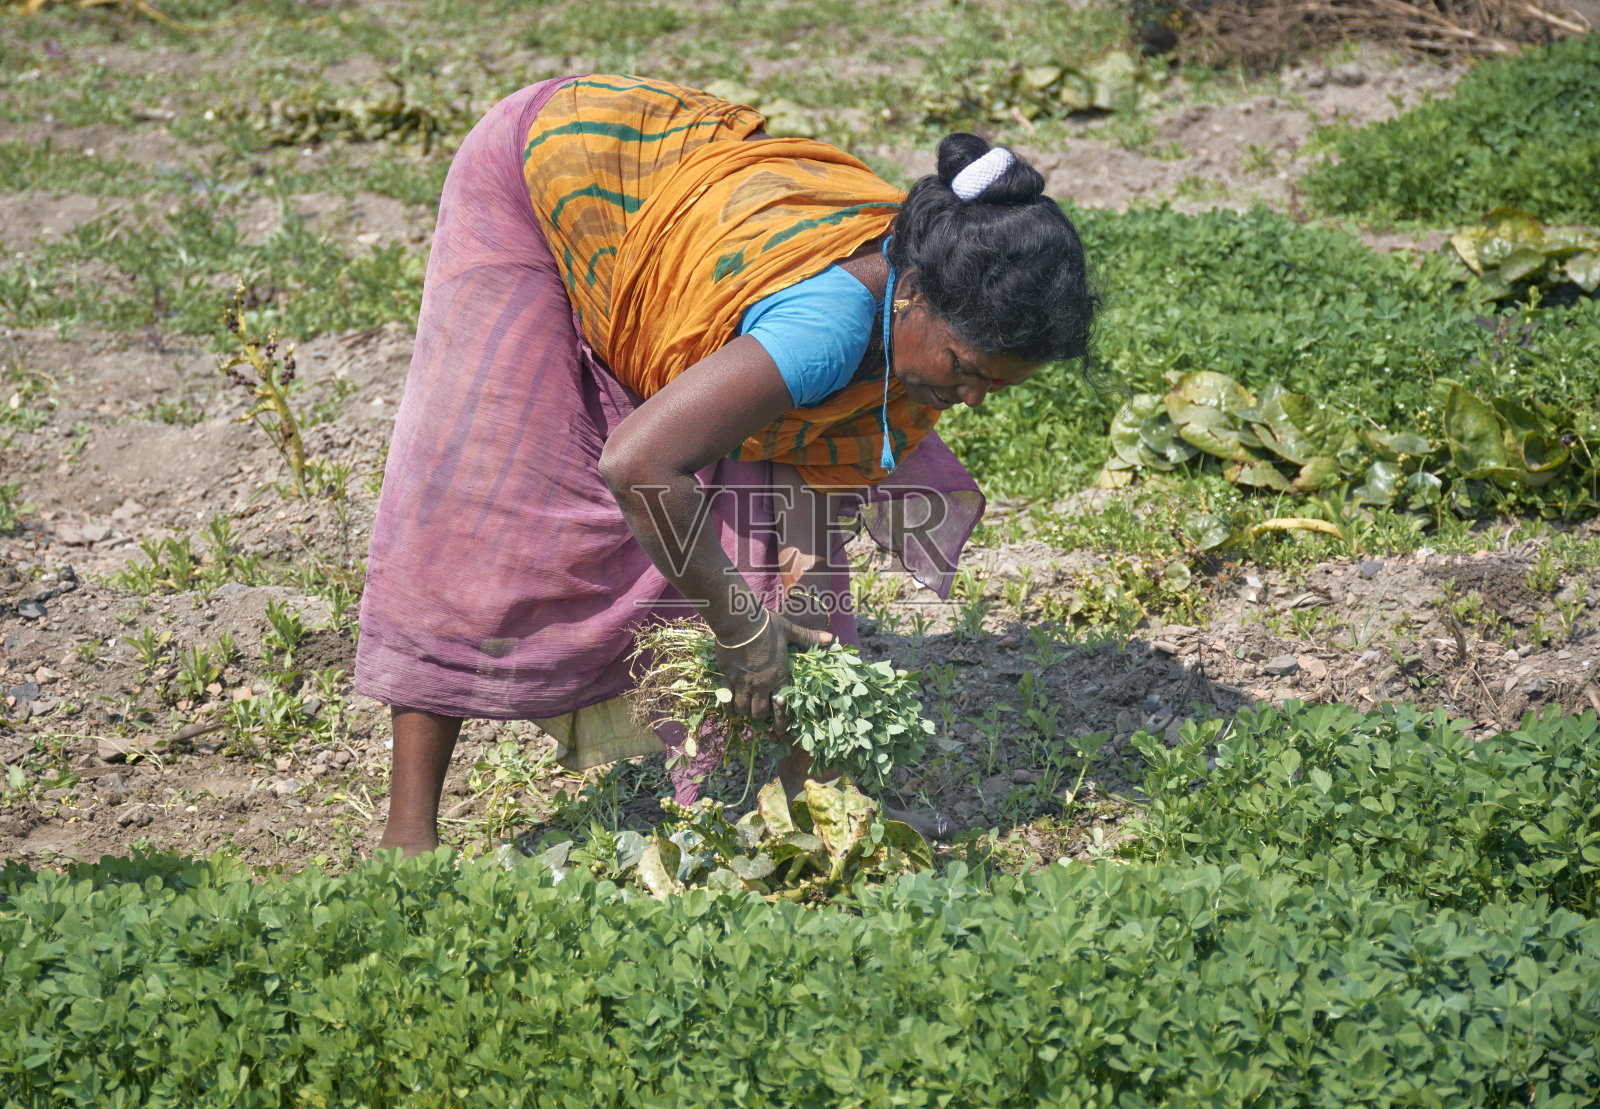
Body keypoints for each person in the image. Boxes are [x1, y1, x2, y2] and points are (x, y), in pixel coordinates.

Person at [354, 75, 1098, 855]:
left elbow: (810, 482)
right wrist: (743, 628)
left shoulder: (921, 316)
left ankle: (806, 808)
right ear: (911, 293)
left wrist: (798, 631)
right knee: (489, 489)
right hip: (552, 175)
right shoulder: (827, 331)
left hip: (680, 206)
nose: (971, 398)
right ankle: (408, 834)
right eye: (967, 369)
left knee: (755, 521)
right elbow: (639, 465)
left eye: (993, 386)